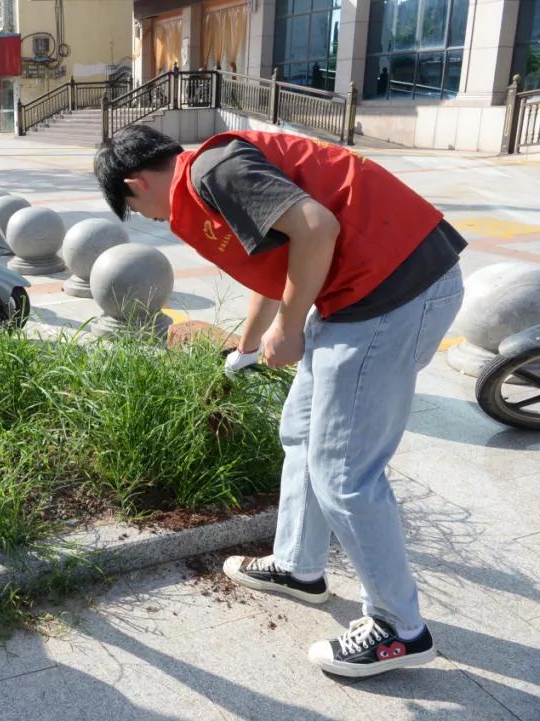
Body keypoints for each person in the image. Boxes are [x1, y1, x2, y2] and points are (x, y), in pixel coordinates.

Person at [94, 125, 466, 678]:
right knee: (300, 432)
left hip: (392, 292)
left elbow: (316, 228)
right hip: (365, 292)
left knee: (346, 473)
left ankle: (399, 630)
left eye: (138, 209)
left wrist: (291, 329)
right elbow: (277, 261)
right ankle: (298, 566)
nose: (152, 219)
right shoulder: (211, 170)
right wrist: (247, 345)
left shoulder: (212, 171)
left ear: (136, 182)